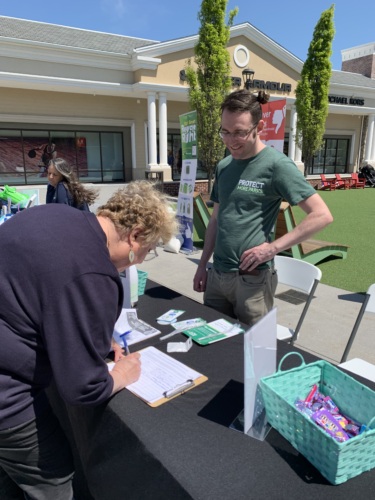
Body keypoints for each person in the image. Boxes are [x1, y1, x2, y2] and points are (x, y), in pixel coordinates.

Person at [0, 181, 178, 499]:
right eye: (146, 252)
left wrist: (86, 329)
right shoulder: (93, 274)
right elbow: (83, 387)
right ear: (135, 235)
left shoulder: (53, 214)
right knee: (52, 479)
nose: (138, 262)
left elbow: (37, 293)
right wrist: (121, 375)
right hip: (8, 399)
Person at [193, 89, 333, 326]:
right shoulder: (224, 166)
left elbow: (321, 215)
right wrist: (203, 265)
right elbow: (216, 219)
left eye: (239, 132)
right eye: (225, 132)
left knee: (254, 353)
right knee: (212, 348)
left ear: (259, 126)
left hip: (253, 282)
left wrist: (271, 249)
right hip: (217, 276)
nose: (230, 141)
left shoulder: (277, 165)